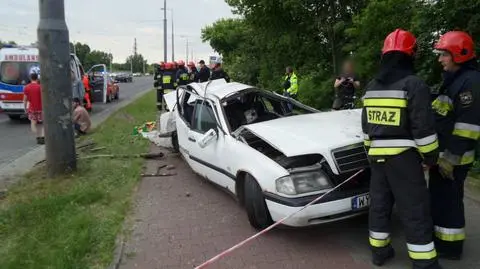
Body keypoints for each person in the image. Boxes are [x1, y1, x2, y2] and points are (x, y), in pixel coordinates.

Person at [362, 29, 442, 269]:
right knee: (414, 209)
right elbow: (423, 127)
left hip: (377, 157)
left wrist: (371, 153)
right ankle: (424, 263)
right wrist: (431, 157)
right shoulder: (414, 84)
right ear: (410, 54)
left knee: (379, 205)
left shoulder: (371, 86)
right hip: (404, 160)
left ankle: (379, 252)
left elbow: (366, 128)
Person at [429, 31, 480, 260]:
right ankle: (441, 241)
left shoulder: (470, 82)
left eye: (444, 55)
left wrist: (450, 158)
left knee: (449, 203)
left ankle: (450, 249)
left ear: (459, 54)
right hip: (444, 156)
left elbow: (467, 126)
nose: (440, 59)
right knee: (440, 200)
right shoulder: (455, 79)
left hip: (454, 158)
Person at [23, 72, 45, 145]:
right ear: (37, 78)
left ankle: (38, 137)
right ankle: (42, 136)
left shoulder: (27, 87)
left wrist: (25, 109)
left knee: (33, 123)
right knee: (42, 123)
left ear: (30, 78)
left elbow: (25, 100)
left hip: (32, 108)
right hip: (41, 108)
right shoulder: (40, 87)